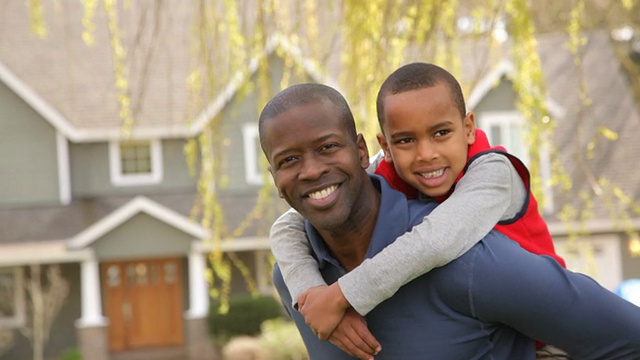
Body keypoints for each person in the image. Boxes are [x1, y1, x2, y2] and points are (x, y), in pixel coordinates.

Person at [259, 82, 640, 359]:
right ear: (384, 147)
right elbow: (286, 226)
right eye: (288, 160)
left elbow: (437, 241)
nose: (425, 154)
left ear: (359, 151)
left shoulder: (473, 246)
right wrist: (310, 294)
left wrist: (342, 296)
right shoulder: (294, 273)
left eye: (327, 147)